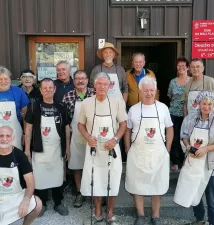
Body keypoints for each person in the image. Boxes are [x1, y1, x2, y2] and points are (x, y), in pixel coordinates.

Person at [173, 91, 214, 225]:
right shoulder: (190, 119)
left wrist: (205, 149)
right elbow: (184, 136)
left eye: (210, 104)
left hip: (212, 163)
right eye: (204, 104)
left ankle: (213, 221)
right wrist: (188, 147)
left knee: (211, 196)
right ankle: (199, 219)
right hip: (194, 161)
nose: (207, 107)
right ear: (199, 104)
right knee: (193, 191)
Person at [78, 72, 127, 225]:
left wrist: (115, 139)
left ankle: (110, 213)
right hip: (94, 148)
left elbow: (123, 124)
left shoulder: (117, 102)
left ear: (109, 86)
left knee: (112, 179)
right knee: (95, 179)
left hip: (111, 148)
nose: (101, 87)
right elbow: (80, 124)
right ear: (94, 85)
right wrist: (87, 137)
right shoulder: (86, 103)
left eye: (105, 84)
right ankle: (97, 212)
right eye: (99, 83)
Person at [125, 76, 173, 225]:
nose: (149, 93)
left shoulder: (163, 108)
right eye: (146, 90)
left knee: (157, 185)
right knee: (137, 184)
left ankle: (155, 216)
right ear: (140, 91)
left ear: (156, 91)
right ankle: (140, 215)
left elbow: (169, 129)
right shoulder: (133, 109)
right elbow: (127, 130)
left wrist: (167, 149)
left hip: (158, 153)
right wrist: (127, 148)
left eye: (152, 90)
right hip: (138, 153)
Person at [24, 78, 70, 217]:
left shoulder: (61, 107)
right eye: (45, 88)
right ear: (41, 90)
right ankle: (41, 203)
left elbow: (67, 128)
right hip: (39, 149)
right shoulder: (34, 106)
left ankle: (58, 202)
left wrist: (67, 148)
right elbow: (28, 129)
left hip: (57, 149)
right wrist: (27, 149)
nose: (48, 90)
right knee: (40, 177)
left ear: (54, 89)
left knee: (58, 177)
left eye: (51, 88)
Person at [62, 70, 96, 208]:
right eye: (77, 78)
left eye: (83, 78)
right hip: (75, 136)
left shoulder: (94, 94)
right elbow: (65, 121)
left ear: (88, 80)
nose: (80, 81)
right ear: (74, 80)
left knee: (94, 165)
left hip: (93, 136)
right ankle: (80, 193)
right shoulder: (68, 96)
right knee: (77, 166)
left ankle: (95, 194)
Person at [0, 66, 29, 152]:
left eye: (6, 79)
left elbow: (26, 114)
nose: (3, 81)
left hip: (15, 133)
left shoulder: (19, 92)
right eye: (0, 79)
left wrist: (25, 134)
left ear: (10, 79)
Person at [167, 56, 191, 171]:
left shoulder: (192, 81)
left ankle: (186, 161)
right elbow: (169, 95)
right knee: (175, 138)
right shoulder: (173, 82)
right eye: (179, 66)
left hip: (188, 115)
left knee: (186, 138)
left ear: (187, 67)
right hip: (173, 113)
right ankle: (175, 162)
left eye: (183, 66)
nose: (181, 68)